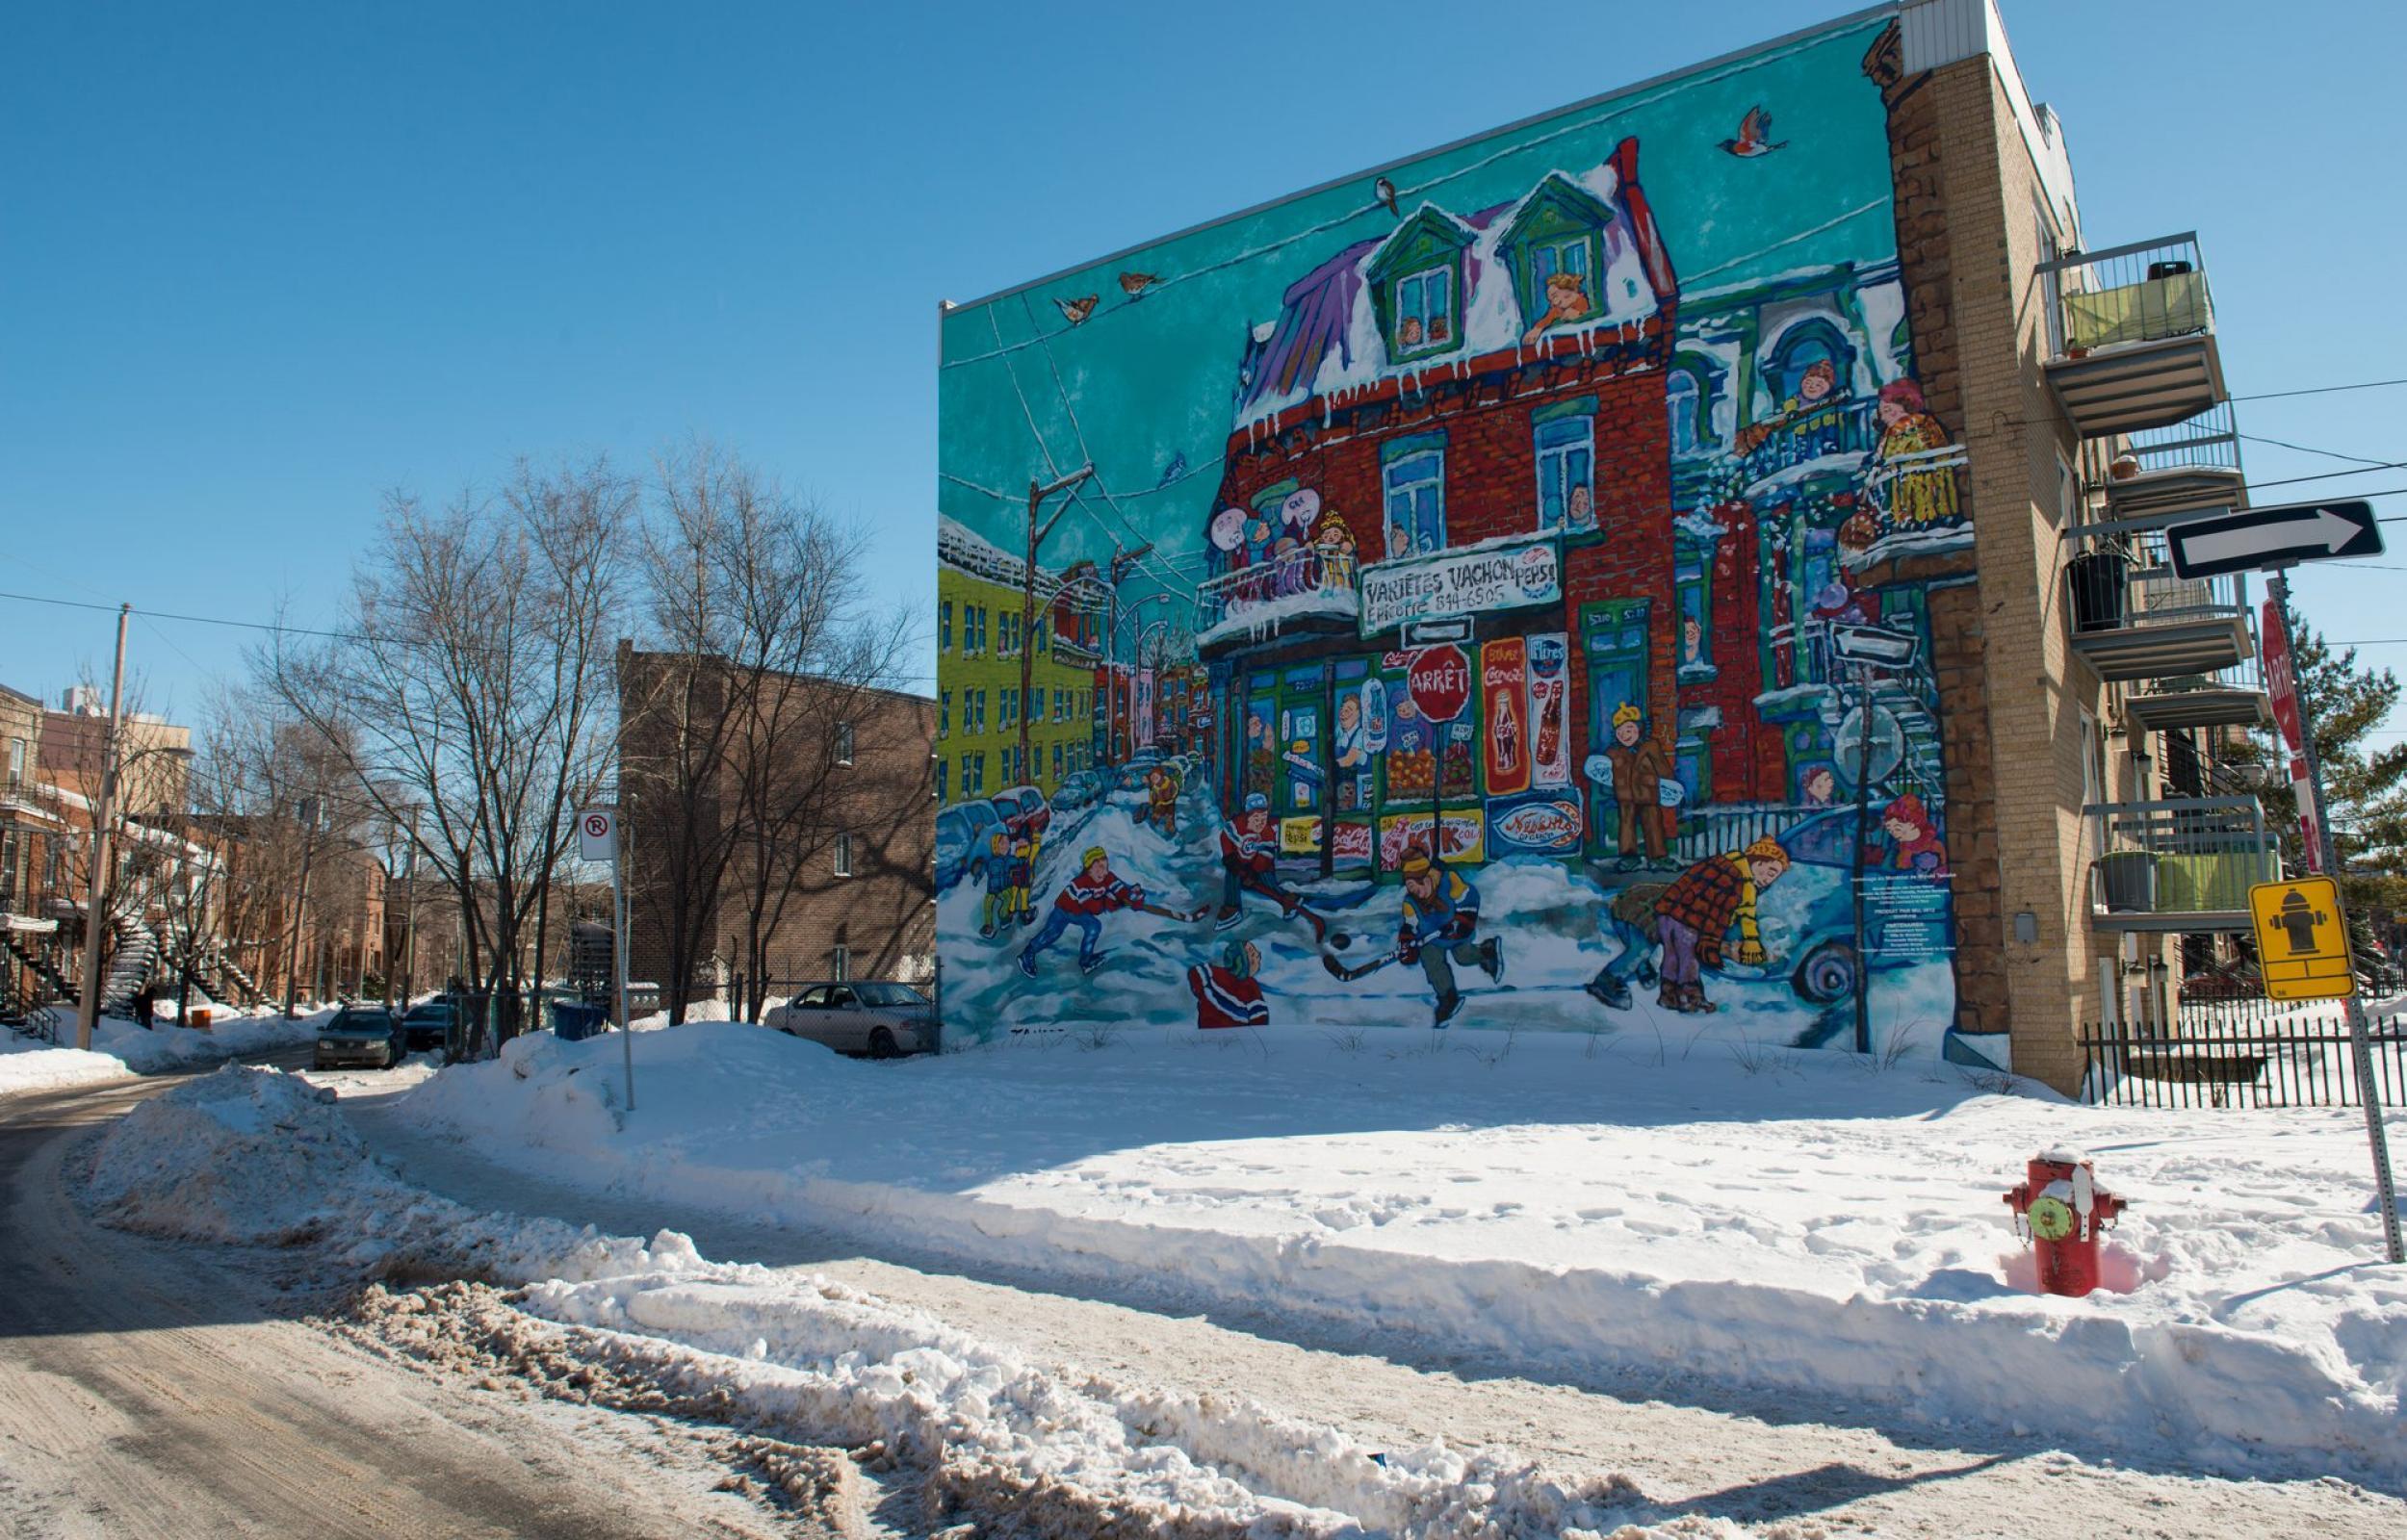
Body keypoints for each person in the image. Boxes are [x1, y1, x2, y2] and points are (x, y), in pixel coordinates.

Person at [1652, 838, 1790, 1014]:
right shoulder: (1734, 878)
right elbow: (1718, 911)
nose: (1768, 880)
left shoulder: (1724, 864)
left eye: (1774, 877)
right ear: (1759, 862)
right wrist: (1711, 940)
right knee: (1688, 958)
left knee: (1672, 955)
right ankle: (1691, 999)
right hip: (1688, 920)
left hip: (1668, 912)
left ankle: (1668, 996)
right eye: (1770, 873)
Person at [1397, 847, 1502, 1027]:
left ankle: (1487, 951)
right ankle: (1448, 998)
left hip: (1455, 931)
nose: (1417, 893)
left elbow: (1469, 897)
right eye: (1411, 888)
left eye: (1418, 886)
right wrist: (1407, 944)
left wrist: (1463, 921)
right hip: (1432, 939)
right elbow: (1410, 925)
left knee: (1463, 957)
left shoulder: (1448, 881)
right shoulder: (1410, 902)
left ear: (1427, 878)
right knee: (1431, 961)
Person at [1021, 847, 1148, 978]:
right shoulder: (1081, 883)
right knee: (1053, 933)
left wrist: (1132, 895)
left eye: (1106, 867)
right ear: (1089, 869)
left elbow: (1119, 889)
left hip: (1079, 910)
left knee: (1092, 926)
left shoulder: (1107, 877)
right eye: (1099, 868)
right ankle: (1027, 954)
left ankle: (1086, 961)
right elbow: (1093, 907)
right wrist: (1115, 904)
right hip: (1066, 909)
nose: (1104, 872)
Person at [1217, 792, 1315, 935]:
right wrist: (1231, 859)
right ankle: (1231, 908)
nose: (1260, 822)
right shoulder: (1236, 826)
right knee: (1231, 875)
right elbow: (1225, 839)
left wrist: (1252, 873)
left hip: (1258, 868)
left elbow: (1264, 859)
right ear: (1247, 816)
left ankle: (1288, 899)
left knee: (1268, 880)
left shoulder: (1267, 833)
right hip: (1239, 863)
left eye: (1263, 818)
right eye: (1256, 818)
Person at [1872, 378, 1959, 526]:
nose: (1884, 418)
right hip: (1903, 483)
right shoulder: (1890, 433)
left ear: (1904, 405)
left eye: (1887, 411)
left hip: (1926, 480)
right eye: (1882, 414)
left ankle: (1929, 518)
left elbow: (1931, 448)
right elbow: (1883, 454)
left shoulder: (1921, 425)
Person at [1601, 704, 1676, 869]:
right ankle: (1629, 857)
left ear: (1640, 728)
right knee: (1626, 824)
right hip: (1625, 795)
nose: (1624, 735)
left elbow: (1664, 770)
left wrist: (1667, 784)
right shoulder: (1613, 752)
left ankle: (1658, 857)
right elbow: (1604, 773)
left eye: (1629, 729)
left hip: (1647, 793)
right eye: (1620, 731)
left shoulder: (1651, 747)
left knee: (1653, 823)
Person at [1186, 938, 1267, 1029]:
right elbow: (1259, 1020)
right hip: (1238, 1035)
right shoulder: (1251, 986)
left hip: (1206, 1032)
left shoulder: (1213, 973)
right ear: (1242, 963)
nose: (1258, 955)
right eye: (1253, 955)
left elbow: (1195, 973)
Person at [1877, 792, 1947, 873]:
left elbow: (1944, 870)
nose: (1894, 834)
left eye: (1897, 829)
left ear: (1912, 823)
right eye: (1890, 830)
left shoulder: (1936, 845)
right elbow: (1886, 870)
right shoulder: (1897, 848)